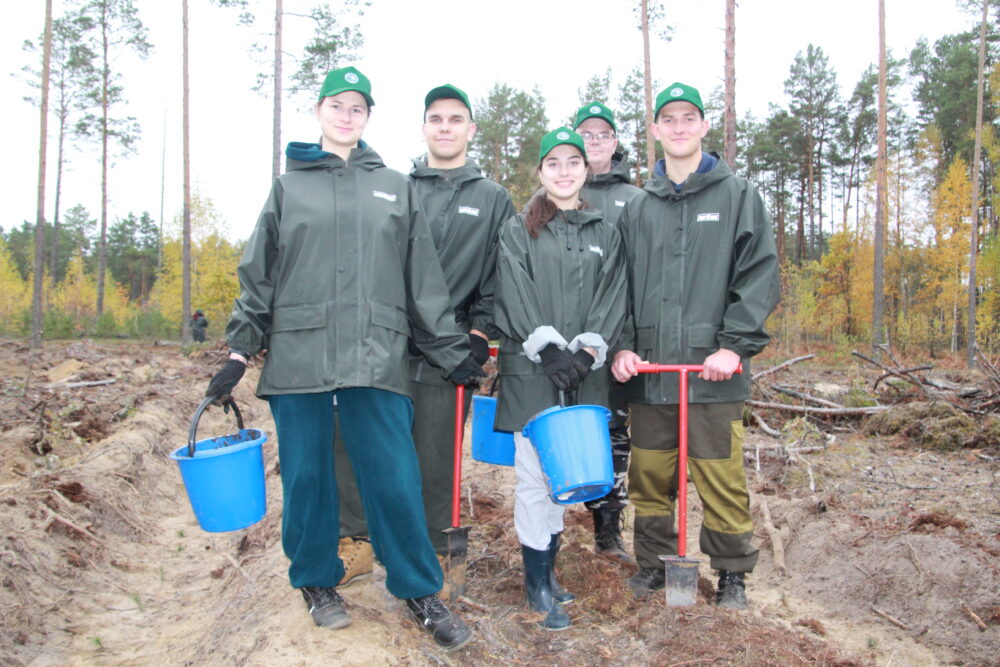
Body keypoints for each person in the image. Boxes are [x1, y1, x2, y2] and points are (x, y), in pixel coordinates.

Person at [203, 66, 484, 651]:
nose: (347, 115)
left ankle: (416, 590)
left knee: (393, 475)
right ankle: (315, 580)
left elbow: (422, 280)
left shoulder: (394, 186)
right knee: (307, 476)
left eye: (358, 107)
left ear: (368, 118)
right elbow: (259, 274)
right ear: (320, 112)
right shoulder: (289, 186)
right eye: (338, 105)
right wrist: (238, 348)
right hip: (300, 354)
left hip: (377, 353)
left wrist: (450, 349)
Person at [334, 84, 515, 594]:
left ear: (470, 130)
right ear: (423, 127)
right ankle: (358, 543)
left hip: (449, 350)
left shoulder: (492, 198)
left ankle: (433, 552)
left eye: (455, 120)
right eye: (436, 119)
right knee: (357, 445)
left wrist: (479, 334)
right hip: (383, 343)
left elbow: (501, 276)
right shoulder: (394, 185)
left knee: (435, 457)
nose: (445, 127)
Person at [611, 82, 780, 609]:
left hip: (714, 374)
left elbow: (758, 276)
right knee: (650, 475)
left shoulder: (738, 196)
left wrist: (734, 346)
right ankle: (655, 565)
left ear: (704, 127)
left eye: (690, 118)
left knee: (720, 474)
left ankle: (731, 572)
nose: (680, 127)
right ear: (656, 130)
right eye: (669, 119)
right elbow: (617, 286)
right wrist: (620, 347)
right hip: (652, 373)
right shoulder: (637, 208)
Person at [494, 127, 627, 630]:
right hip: (533, 372)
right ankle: (535, 585)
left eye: (574, 162)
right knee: (534, 479)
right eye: (555, 163)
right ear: (541, 171)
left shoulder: (604, 231)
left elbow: (614, 293)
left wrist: (589, 350)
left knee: (565, 476)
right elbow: (512, 287)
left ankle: (550, 575)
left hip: (582, 374)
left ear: (585, 168)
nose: (565, 170)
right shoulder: (518, 229)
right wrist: (546, 346)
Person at [573, 101, 645, 563]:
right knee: (566, 429)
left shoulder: (635, 199)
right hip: (566, 340)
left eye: (603, 135)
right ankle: (552, 526)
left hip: (617, 335)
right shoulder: (555, 191)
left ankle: (608, 528)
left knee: (613, 432)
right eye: (586, 134)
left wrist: (629, 340)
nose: (594, 142)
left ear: (615, 143)